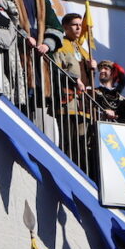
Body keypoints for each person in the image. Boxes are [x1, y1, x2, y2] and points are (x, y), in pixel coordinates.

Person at [52, 13, 95, 166]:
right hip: (68, 101)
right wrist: (73, 79)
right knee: (68, 140)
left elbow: (89, 81)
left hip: (83, 104)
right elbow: (55, 69)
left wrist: (92, 69)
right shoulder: (60, 45)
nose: (78, 28)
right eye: (74, 25)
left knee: (82, 142)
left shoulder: (83, 51)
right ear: (65, 27)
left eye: (79, 25)